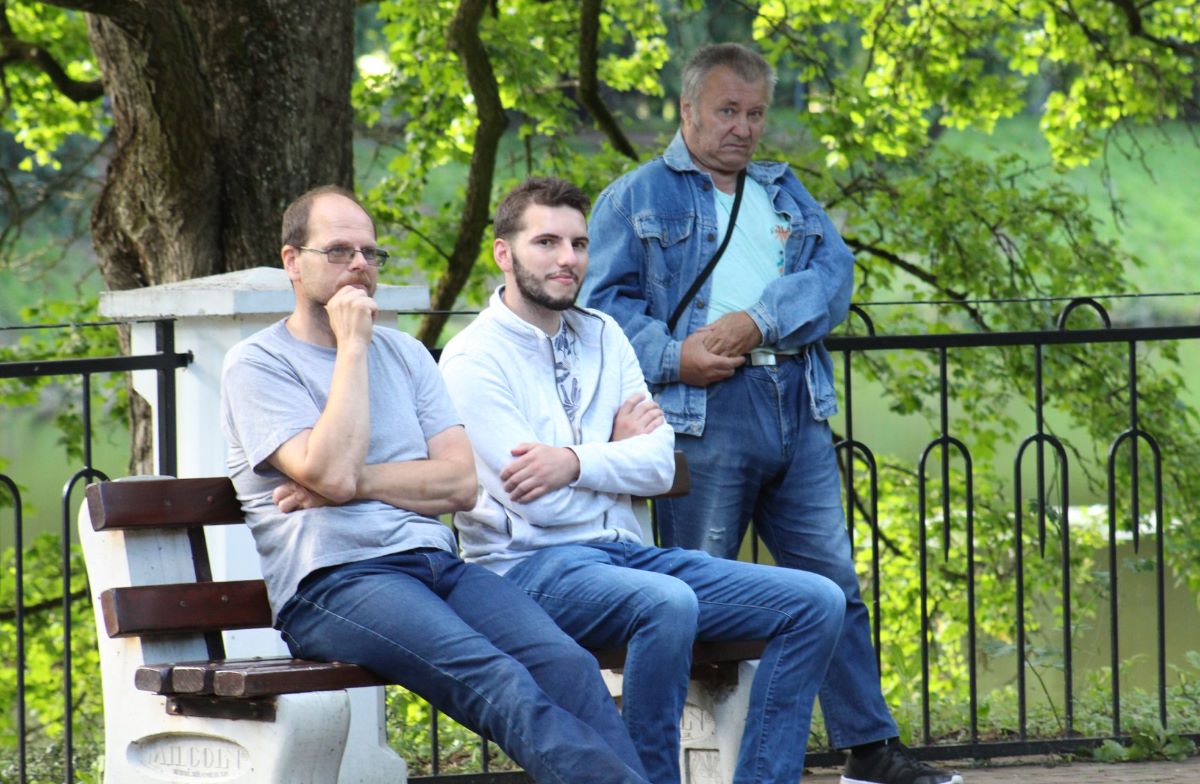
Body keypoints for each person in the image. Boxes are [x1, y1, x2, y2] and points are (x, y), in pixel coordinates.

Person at [582, 44, 964, 784]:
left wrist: (759, 319)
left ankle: (869, 750)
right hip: (703, 411)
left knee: (833, 581)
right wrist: (676, 357)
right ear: (687, 109)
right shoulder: (634, 198)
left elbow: (834, 276)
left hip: (797, 400)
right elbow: (603, 312)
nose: (744, 128)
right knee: (697, 587)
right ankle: (687, 756)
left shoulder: (783, 190)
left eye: (755, 113)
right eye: (727, 110)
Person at [219, 185, 651, 784]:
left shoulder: (408, 355)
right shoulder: (258, 363)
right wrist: (352, 348)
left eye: (370, 253)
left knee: (566, 664)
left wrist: (352, 484)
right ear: (293, 261)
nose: (360, 266)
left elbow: (459, 484)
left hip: (436, 566)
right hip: (336, 582)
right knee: (498, 681)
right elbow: (330, 471)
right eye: (339, 251)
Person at [439, 176, 847, 784]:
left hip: (627, 557)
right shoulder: (473, 359)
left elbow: (658, 463)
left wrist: (574, 461)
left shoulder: (604, 334)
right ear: (504, 252)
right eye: (546, 242)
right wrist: (613, 452)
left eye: (578, 244)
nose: (567, 259)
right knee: (666, 603)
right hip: (529, 570)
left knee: (817, 602)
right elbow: (540, 506)